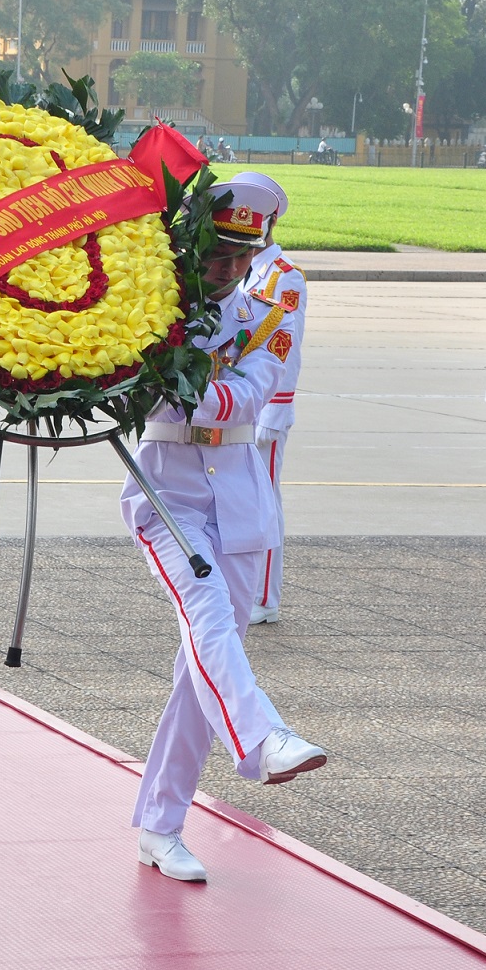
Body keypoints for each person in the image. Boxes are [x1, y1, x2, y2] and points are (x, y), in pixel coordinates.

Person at [127, 179, 326, 884]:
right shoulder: (150, 309)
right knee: (208, 616)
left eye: (242, 254)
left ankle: (160, 825)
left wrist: (179, 387)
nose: (228, 266)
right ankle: (263, 735)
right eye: (216, 251)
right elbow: (139, 395)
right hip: (168, 495)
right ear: (191, 245)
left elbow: (247, 395)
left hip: (241, 501)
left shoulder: (269, 317)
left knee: (202, 670)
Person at [230, 171, 303, 625]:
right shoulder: (243, 268)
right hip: (239, 400)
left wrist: (276, 408)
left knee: (265, 498)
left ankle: (264, 598)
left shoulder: (285, 278)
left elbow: (284, 347)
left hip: (266, 405)